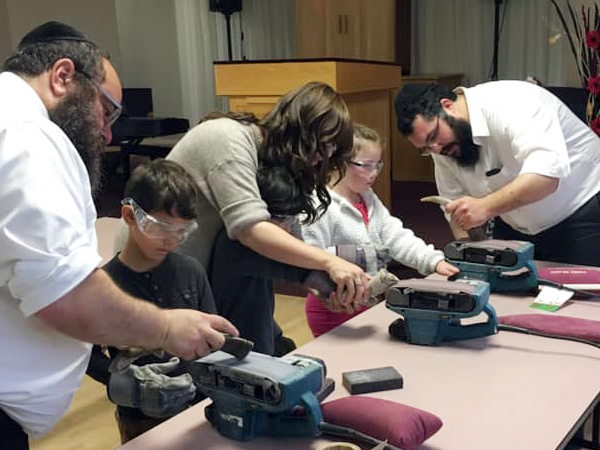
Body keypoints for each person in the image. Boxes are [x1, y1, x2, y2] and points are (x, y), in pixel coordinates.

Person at [0, 22, 237, 449]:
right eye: (106, 111)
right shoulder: (28, 134)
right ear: (63, 76)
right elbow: (63, 294)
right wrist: (166, 329)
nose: (108, 133)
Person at [166, 85, 370, 355]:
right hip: (162, 283)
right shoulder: (228, 138)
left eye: (333, 149)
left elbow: (284, 244)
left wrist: (319, 284)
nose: (325, 156)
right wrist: (329, 263)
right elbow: (250, 230)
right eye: (325, 144)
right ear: (302, 128)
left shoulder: (276, 165)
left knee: (275, 341)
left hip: (206, 274)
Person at [394, 81, 600, 266]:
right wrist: (473, 258)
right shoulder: (441, 146)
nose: (436, 149)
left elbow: (546, 177)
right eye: (426, 147)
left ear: (448, 106)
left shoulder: (514, 103)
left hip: (582, 206)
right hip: (517, 223)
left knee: (583, 299)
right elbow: (456, 209)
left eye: (433, 136)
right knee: (514, 293)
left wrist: (485, 206)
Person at [86, 158, 217, 443]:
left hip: (196, 410)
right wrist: (125, 385)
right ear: (130, 216)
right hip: (138, 419)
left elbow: (211, 340)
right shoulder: (104, 285)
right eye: (162, 228)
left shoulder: (191, 271)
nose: (171, 241)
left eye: (182, 231)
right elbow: (88, 356)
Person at [301, 124, 459, 337]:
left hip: (367, 303)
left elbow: (396, 237)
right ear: (339, 162)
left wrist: (433, 261)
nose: (373, 173)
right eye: (365, 166)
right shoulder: (320, 204)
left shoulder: (368, 199)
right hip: (332, 306)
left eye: (378, 165)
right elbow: (309, 256)